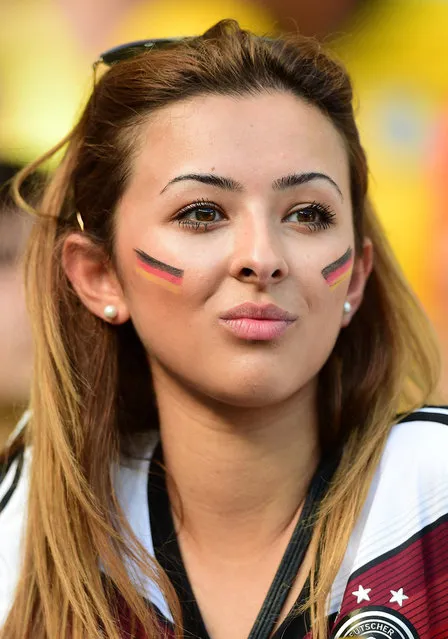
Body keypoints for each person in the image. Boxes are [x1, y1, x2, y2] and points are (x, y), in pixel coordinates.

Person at [0, 20, 447, 639]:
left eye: (309, 214)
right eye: (202, 212)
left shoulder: (434, 498)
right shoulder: (19, 534)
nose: (262, 256)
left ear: (357, 274)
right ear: (98, 275)